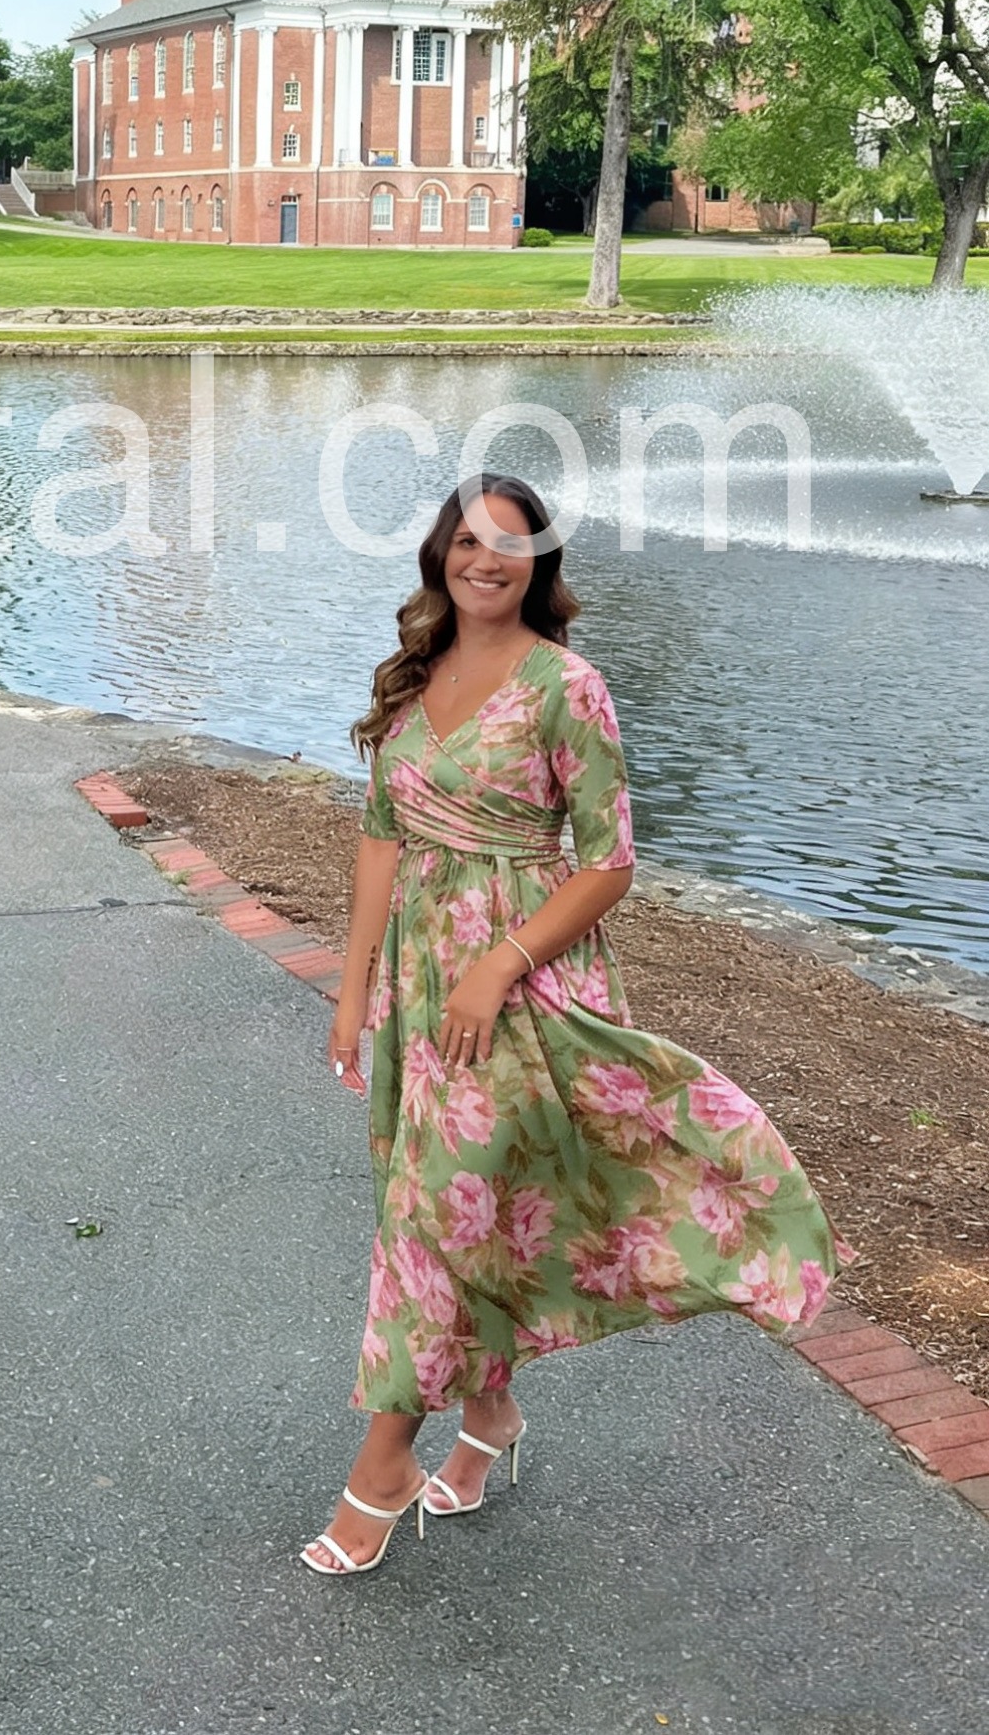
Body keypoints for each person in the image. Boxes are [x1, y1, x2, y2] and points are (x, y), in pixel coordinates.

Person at [301, 473, 842, 1576]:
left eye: (509, 545)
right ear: (440, 553)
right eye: (466, 540)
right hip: (418, 986)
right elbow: (379, 840)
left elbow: (609, 863)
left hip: (518, 987)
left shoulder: (567, 688)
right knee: (463, 1215)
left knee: (435, 1219)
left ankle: (382, 1469)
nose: (484, 561)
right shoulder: (414, 674)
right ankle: (489, 1417)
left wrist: (496, 967)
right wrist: (354, 991)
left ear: (539, 563)